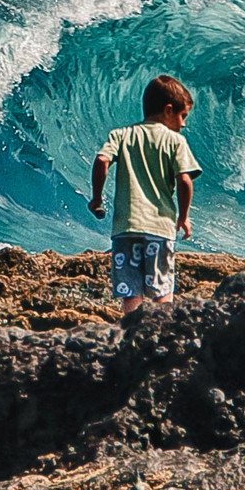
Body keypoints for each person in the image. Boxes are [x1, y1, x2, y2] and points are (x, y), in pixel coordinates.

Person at [88, 74, 202, 322]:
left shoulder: (121, 135)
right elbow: (184, 180)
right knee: (162, 290)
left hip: (125, 227)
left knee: (131, 291)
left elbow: (101, 160)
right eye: (182, 116)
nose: (183, 124)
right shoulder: (176, 141)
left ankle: (131, 332)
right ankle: (161, 334)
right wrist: (183, 217)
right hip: (159, 229)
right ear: (168, 110)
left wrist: (96, 199)